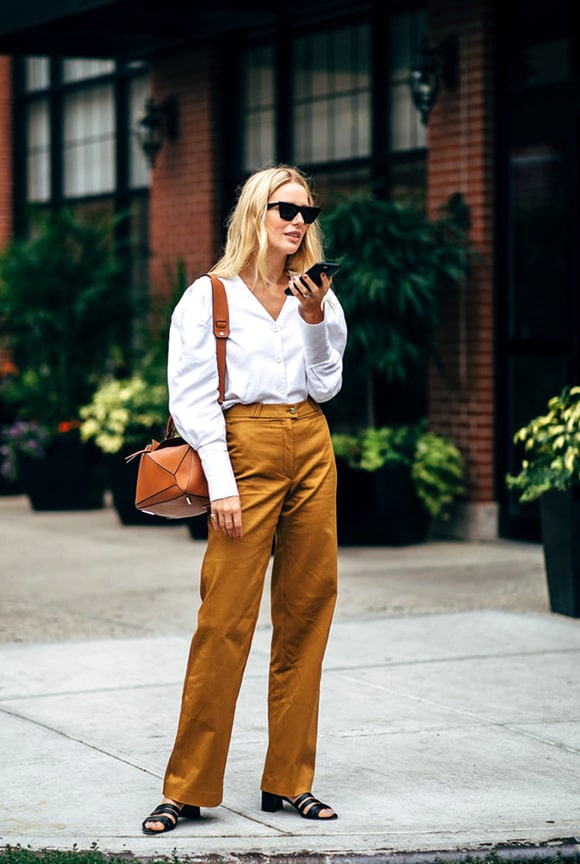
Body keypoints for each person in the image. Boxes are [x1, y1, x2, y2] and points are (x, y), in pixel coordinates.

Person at [142, 164, 347, 835]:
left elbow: (327, 385)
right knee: (224, 620)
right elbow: (191, 397)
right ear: (255, 213)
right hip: (242, 446)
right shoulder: (208, 297)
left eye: (307, 214)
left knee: (308, 613)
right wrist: (223, 484)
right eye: (285, 209)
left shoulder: (315, 295)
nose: (297, 223)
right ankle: (187, 787)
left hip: (311, 441)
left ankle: (290, 782)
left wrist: (315, 318)